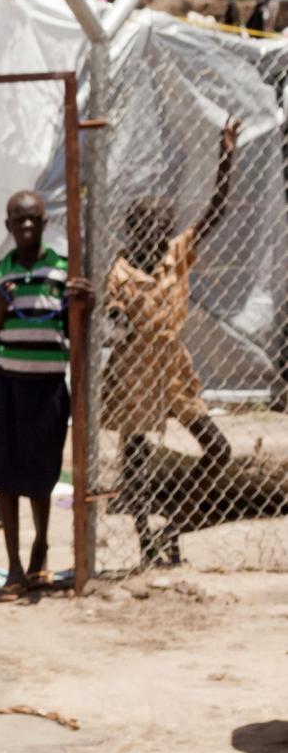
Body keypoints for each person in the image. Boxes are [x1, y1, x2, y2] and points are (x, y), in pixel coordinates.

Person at [104, 117, 241, 566]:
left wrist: (226, 160)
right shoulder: (120, 273)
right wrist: (116, 318)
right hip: (134, 368)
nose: (155, 233)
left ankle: (174, 525)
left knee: (217, 449)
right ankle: (147, 542)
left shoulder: (176, 254)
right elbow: (112, 321)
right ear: (130, 230)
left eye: (162, 225)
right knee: (136, 460)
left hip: (173, 365)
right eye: (146, 225)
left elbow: (214, 214)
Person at [0, 191, 92, 596]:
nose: (26, 227)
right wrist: (2, 303)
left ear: (44, 223)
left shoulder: (61, 271)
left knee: (42, 474)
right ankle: (14, 568)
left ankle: (41, 549)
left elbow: (73, 331)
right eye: (19, 220)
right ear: (8, 226)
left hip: (47, 386)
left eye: (34, 220)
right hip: (7, 381)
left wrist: (83, 304)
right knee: (5, 475)